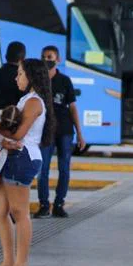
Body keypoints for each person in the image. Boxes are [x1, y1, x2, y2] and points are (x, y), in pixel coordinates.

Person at [0, 59, 54, 266]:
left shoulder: (34, 102)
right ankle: (8, 262)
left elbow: (18, 134)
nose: (17, 78)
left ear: (32, 76)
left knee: (19, 212)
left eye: (21, 74)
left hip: (22, 158)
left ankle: (20, 265)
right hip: (13, 156)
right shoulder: (26, 99)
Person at [36, 45, 85, 219]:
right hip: (44, 131)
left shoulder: (65, 81)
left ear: (58, 60)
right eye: (44, 57)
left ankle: (59, 203)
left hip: (64, 130)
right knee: (43, 169)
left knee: (64, 168)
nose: (46, 60)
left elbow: (73, 107)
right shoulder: (38, 81)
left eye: (50, 57)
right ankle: (43, 204)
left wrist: (79, 133)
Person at [0, 41, 26, 222]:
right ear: (21, 57)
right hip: (15, 128)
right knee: (10, 169)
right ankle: (11, 209)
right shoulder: (22, 78)